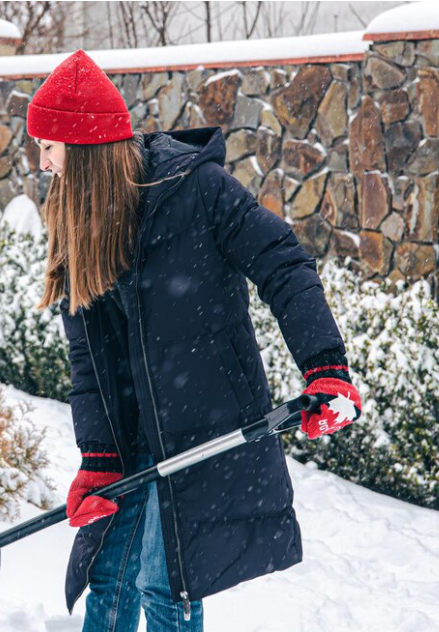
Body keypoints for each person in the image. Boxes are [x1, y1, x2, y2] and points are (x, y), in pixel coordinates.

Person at [27, 49, 363, 632]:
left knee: (165, 583)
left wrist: (325, 366)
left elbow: (283, 262)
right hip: (132, 433)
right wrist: (99, 458)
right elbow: (92, 362)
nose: (42, 163)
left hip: (202, 424)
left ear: (81, 153)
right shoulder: (77, 220)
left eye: (49, 148)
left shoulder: (199, 191)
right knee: (107, 577)